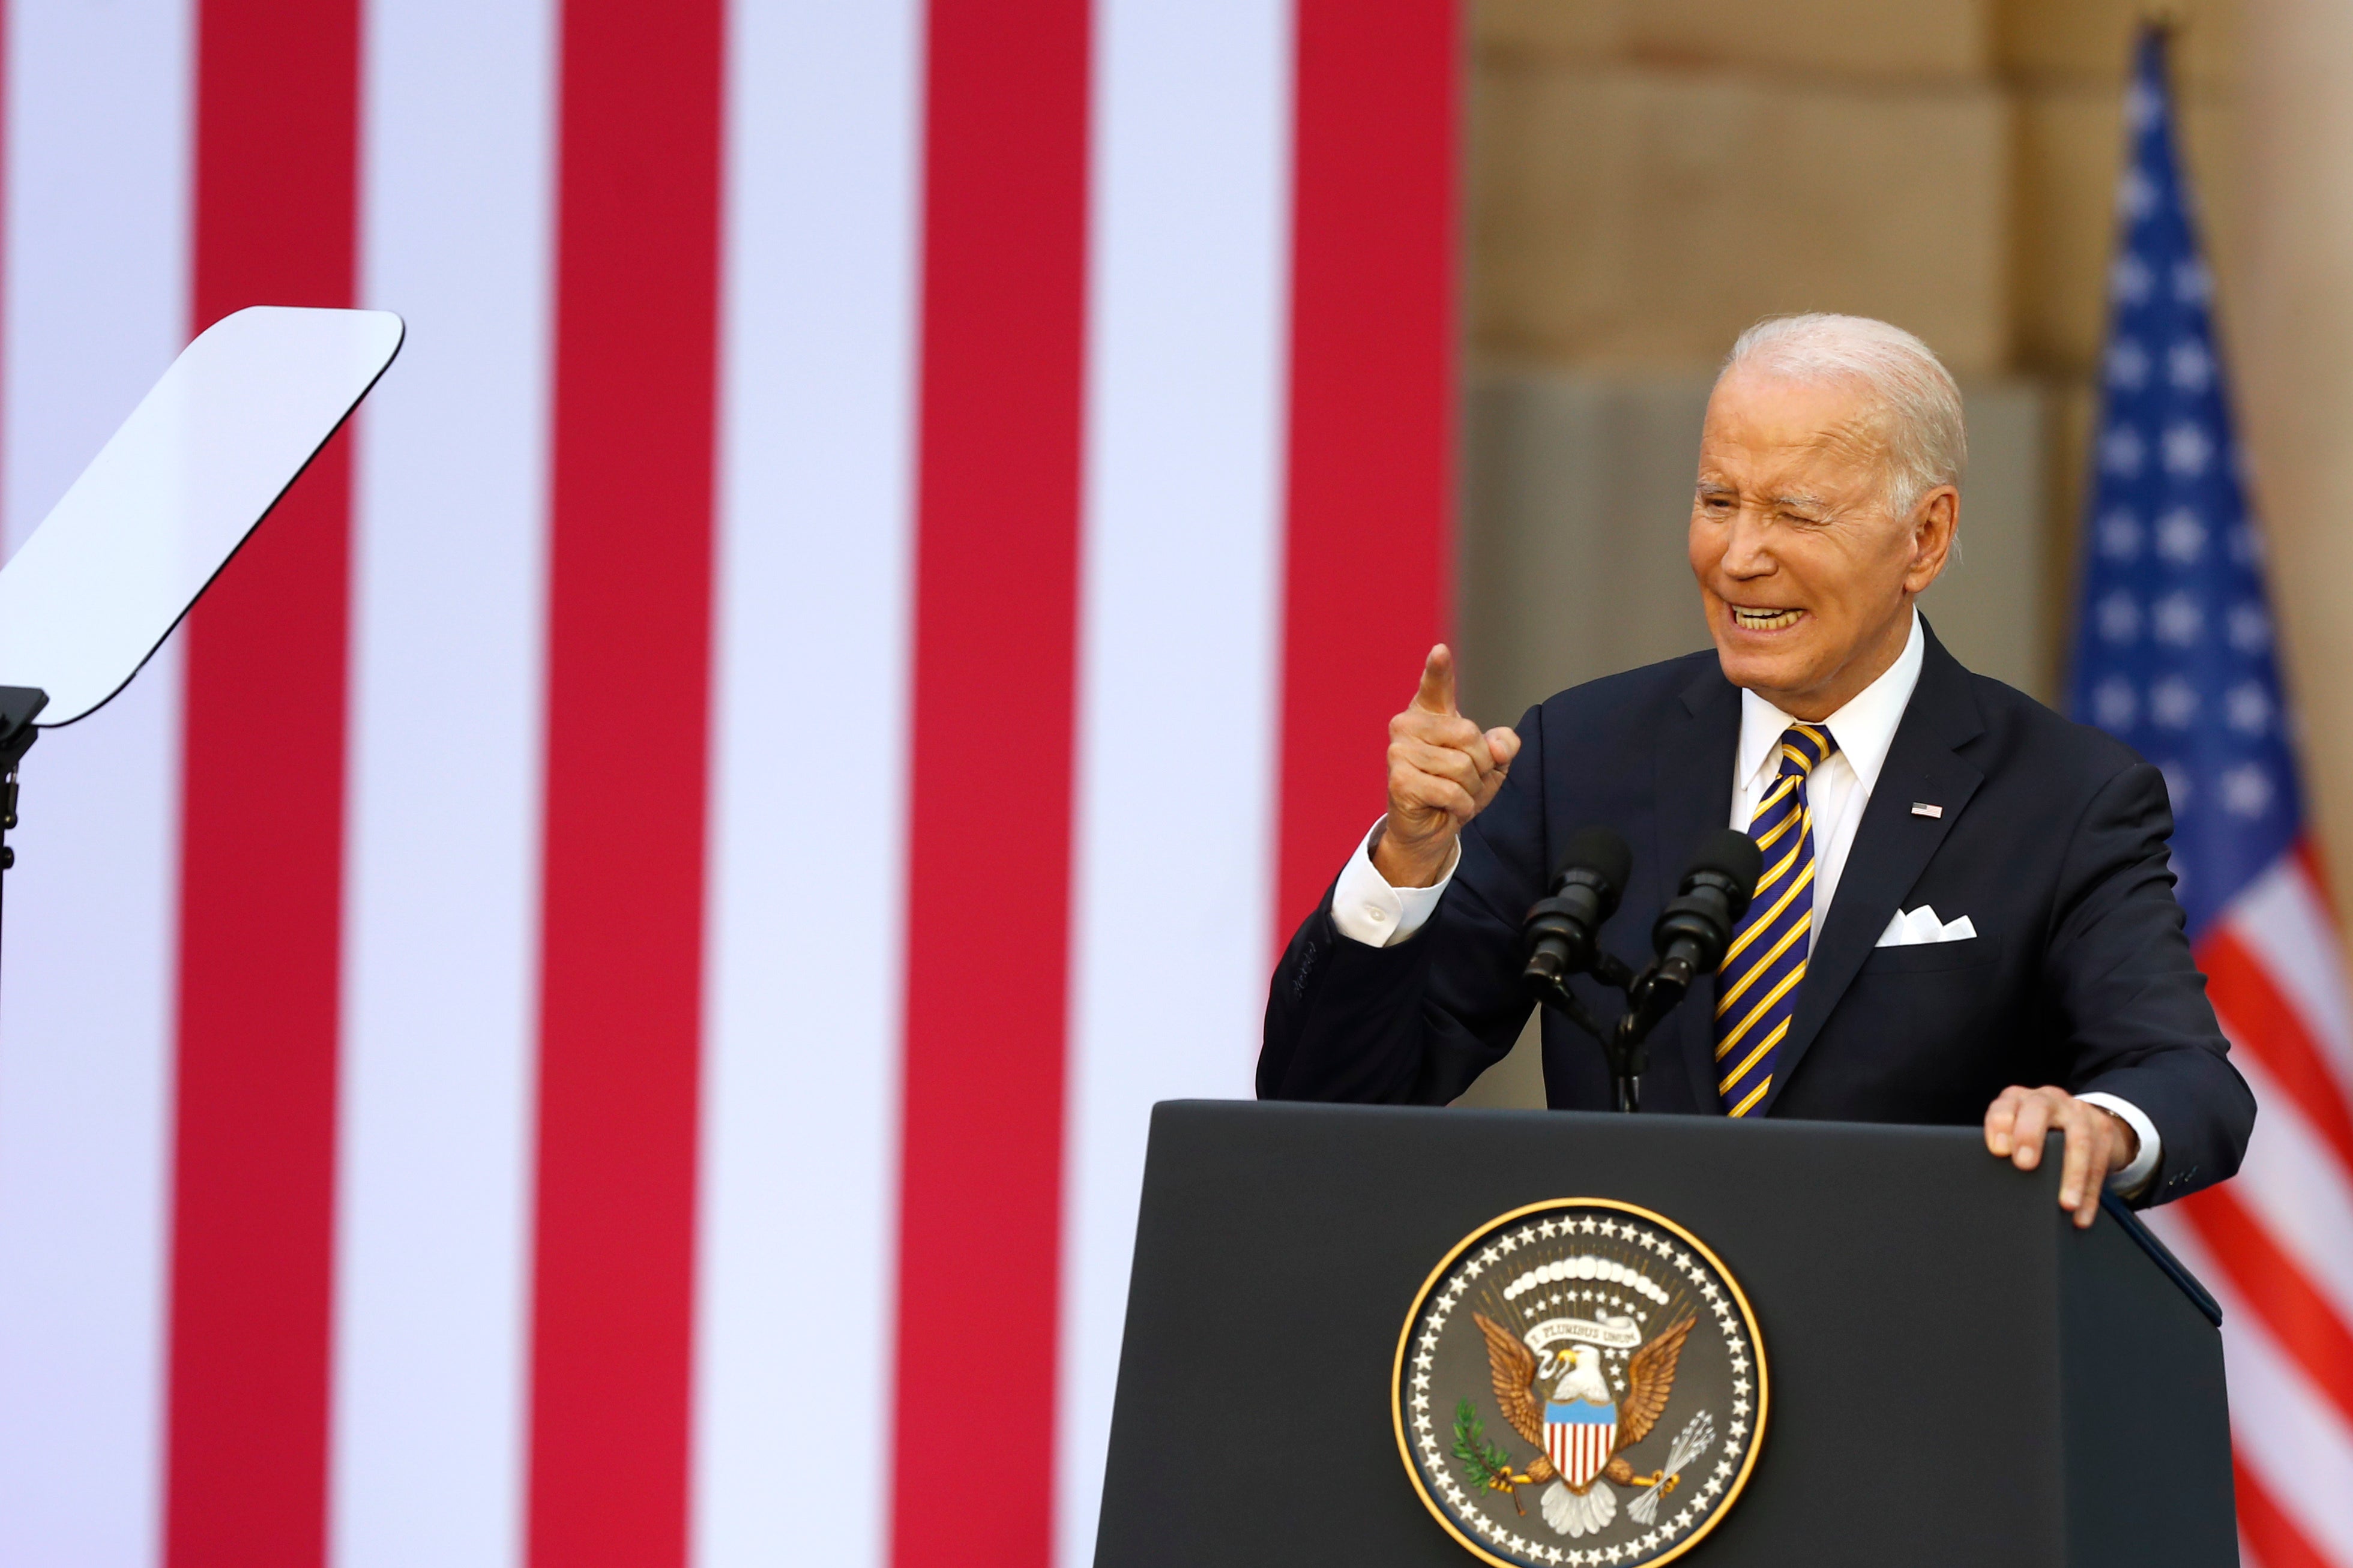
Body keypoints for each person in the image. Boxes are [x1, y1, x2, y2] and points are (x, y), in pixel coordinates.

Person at [1258, 313, 2253, 1225]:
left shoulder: (2064, 795)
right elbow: (1329, 1101)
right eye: (1718, 501)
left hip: (1913, 1345)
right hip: (1633, 1348)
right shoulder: (1584, 752)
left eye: (1795, 513)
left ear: (1926, 536)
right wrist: (1405, 862)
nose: (1738, 556)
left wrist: (2099, 1125)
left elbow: (2188, 1079)